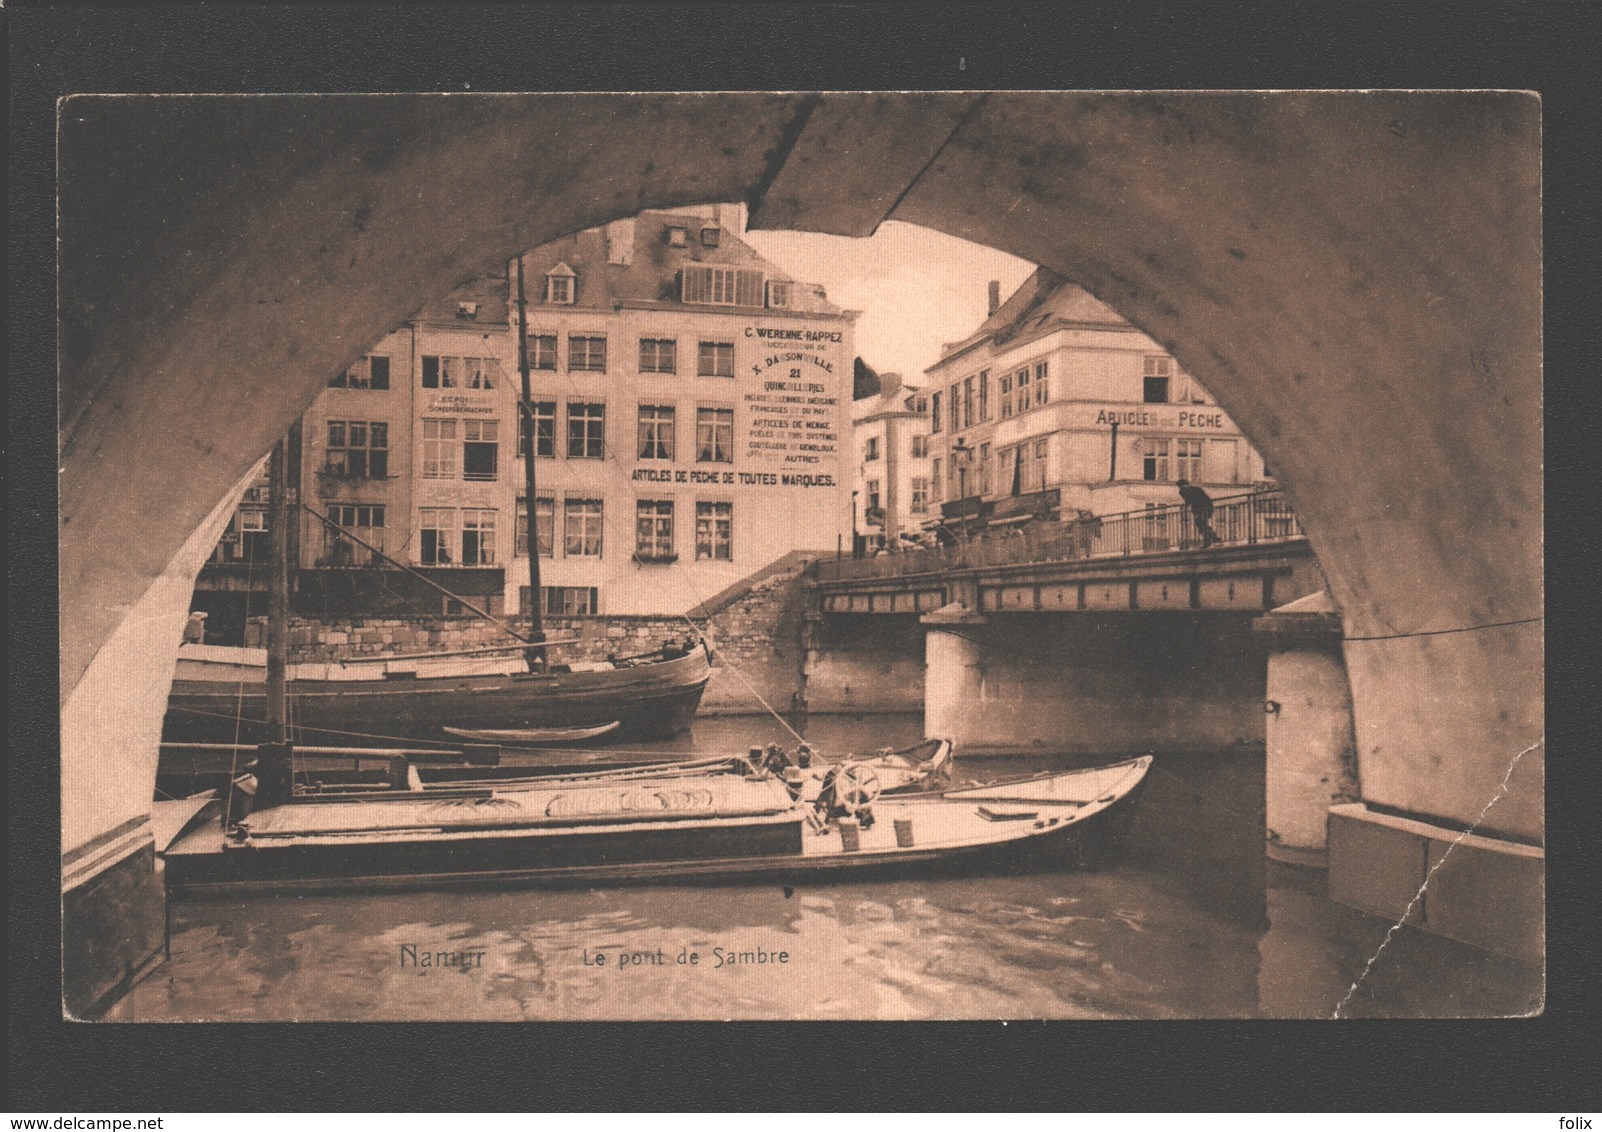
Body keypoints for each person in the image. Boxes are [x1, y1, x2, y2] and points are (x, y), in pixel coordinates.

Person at [1176, 478, 1220, 547]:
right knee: (1200, 524)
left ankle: (1209, 540)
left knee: (1201, 523)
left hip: (1206, 507)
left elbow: (1202, 499)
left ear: (1187, 485)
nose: (1182, 488)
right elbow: (1188, 501)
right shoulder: (1181, 492)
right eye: (1180, 487)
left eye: (1183, 486)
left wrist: (1199, 512)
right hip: (1197, 510)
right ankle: (1212, 538)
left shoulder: (1196, 490)